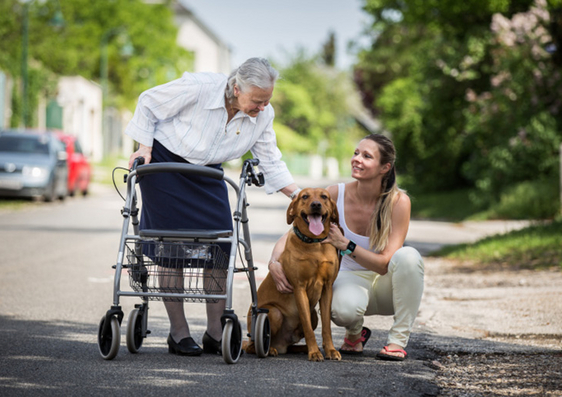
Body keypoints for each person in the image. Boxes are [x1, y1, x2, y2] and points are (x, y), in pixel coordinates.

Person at [125, 58, 300, 356]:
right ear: (235, 88)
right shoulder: (199, 87)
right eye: (257, 100)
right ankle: (178, 333)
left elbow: (269, 159)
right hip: (165, 165)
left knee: (221, 245)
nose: (262, 107)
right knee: (171, 251)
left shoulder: (262, 114)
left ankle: (215, 332)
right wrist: (144, 147)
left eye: (267, 100)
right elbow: (148, 101)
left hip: (208, 173)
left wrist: (299, 196)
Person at [268, 134, 424, 361]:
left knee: (409, 257)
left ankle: (397, 341)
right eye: (356, 153)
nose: (357, 159)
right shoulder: (334, 194)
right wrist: (274, 262)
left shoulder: (399, 202)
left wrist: (346, 245)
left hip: (387, 285)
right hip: (349, 278)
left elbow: (383, 265)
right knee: (341, 310)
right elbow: (293, 233)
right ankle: (354, 334)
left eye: (367, 156)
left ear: (385, 167)